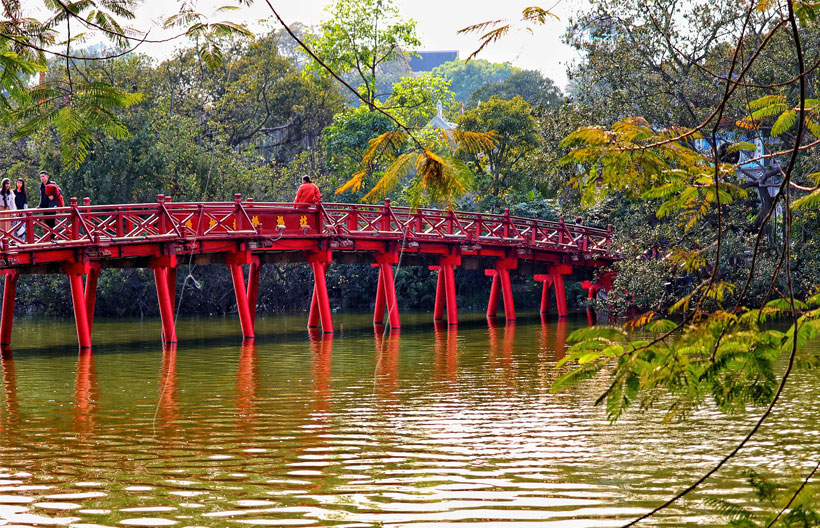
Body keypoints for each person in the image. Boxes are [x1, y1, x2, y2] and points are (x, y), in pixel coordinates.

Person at [38, 170, 61, 239]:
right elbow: (41, 197)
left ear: (47, 177)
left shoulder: (52, 184)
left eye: (43, 176)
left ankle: (53, 239)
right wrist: (40, 205)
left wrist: (53, 196)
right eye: (41, 177)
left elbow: (59, 191)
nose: (42, 178)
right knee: (47, 223)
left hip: (51, 205)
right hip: (45, 206)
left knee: (52, 223)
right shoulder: (41, 186)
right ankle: (49, 238)